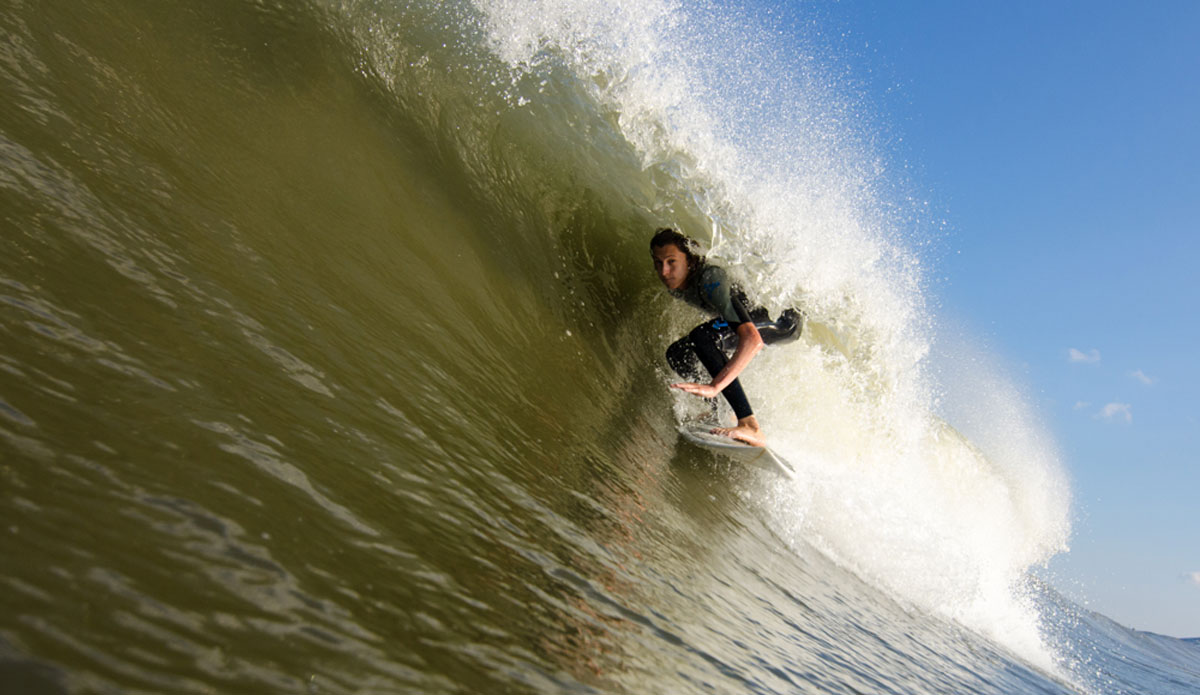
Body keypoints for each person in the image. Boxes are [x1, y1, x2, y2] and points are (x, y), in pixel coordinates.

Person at [650, 227, 801, 447]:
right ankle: (723, 412)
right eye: (658, 263)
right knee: (678, 353)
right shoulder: (679, 283)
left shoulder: (711, 281)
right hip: (755, 319)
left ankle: (750, 425)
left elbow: (752, 340)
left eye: (671, 262)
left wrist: (715, 386)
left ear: (689, 261)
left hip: (781, 322)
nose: (664, 271)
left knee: (702, 336)